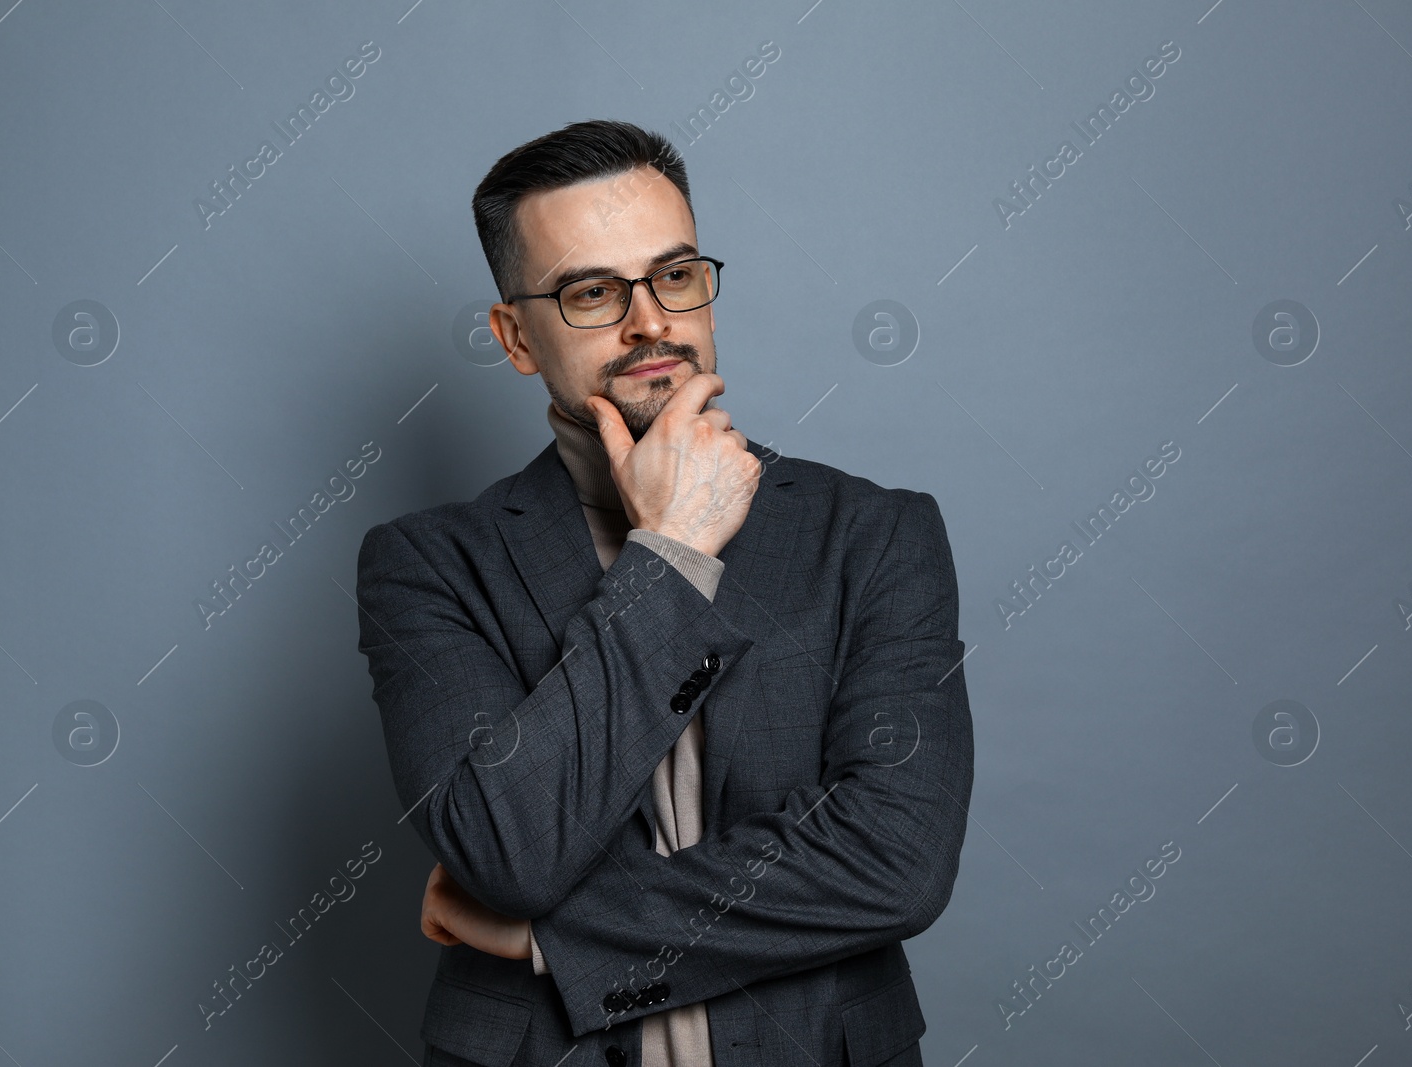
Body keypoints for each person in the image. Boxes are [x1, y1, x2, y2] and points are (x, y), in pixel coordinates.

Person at [355, 119, 973, 1067]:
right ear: (517, 337)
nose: (652, 322)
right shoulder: (428, 565)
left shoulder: (876, 535)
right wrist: (675, 549)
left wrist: (547, 939)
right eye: (593, 291)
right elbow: (508, 848)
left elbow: (898, 863)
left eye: (676, 275)